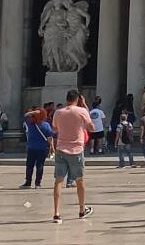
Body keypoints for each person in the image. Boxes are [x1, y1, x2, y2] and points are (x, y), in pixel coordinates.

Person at [50, 92, 95, 223]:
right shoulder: (81, 111)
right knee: (80, 180)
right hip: (76, 150)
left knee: (58, 181)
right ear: (77, 99)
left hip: (61, 149)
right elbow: (91, 128)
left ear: (66, 99)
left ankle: (56, 213)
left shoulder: (58, 112)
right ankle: (82, 210)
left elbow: (55, 128)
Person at [23, 105, 55, 189]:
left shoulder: (30, 124)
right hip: (41, 149)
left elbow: (26, 115)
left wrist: (33, 112)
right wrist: (52, 147)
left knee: (31, 166)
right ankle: (37, 183)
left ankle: (28, 182)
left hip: (34, 148)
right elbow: (50, 137)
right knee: (39, 166)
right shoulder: (45, 125)